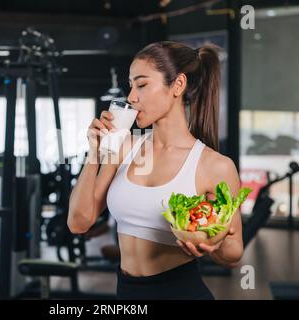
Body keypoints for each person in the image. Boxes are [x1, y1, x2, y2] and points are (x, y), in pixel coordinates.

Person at [67, 41, 243, 300]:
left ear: (178, 85)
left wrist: (212, 244)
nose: (131, 97)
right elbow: (78, 223)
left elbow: (234, 253)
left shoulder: (215, 166)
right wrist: (94, 153)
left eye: (142, 84)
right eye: (131, 86)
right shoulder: (124, 148)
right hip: (127, 294)